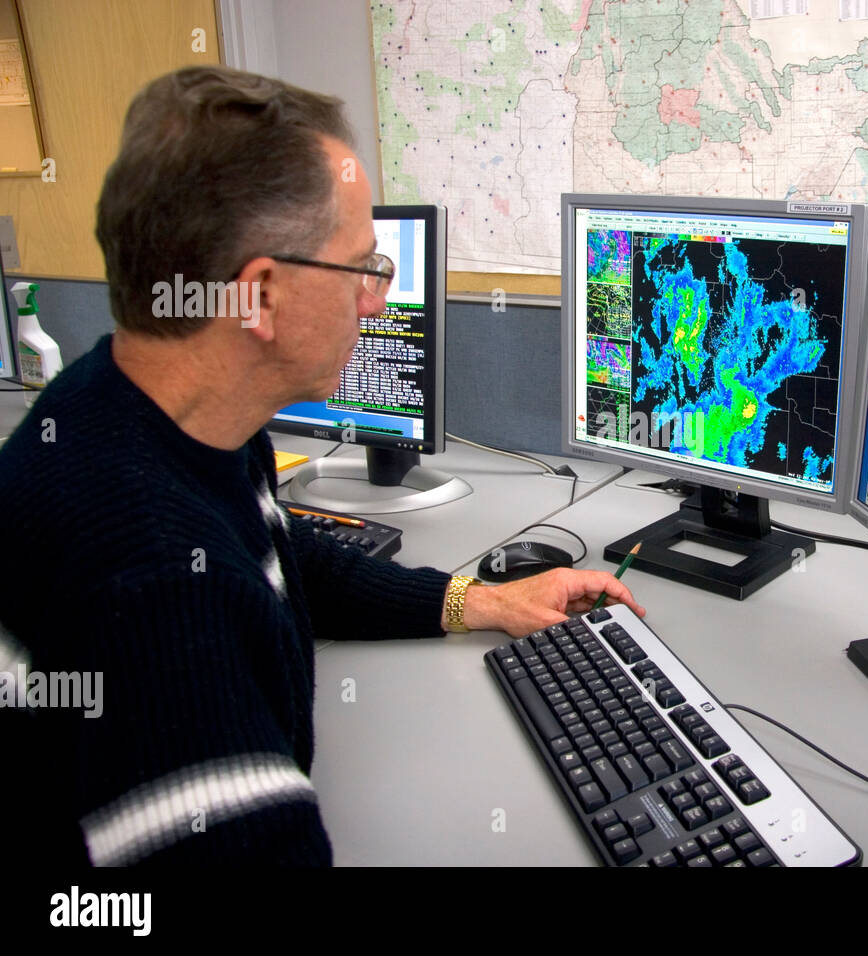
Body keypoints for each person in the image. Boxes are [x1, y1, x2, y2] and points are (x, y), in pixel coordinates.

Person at [0, 65, 644, 866]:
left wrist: (482, 602)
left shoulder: (133, 404)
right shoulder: (156, 591)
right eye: (363, 270)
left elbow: (281, 555)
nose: (377, 301)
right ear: (259, 297)